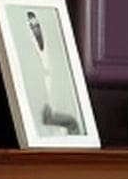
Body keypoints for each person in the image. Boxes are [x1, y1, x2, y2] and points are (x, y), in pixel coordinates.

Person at [21, 8, 83, 136]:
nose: (35, 30)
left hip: (57, 98)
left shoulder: (54, 47)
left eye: (37, 25)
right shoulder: (27, 52)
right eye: (32, 26)